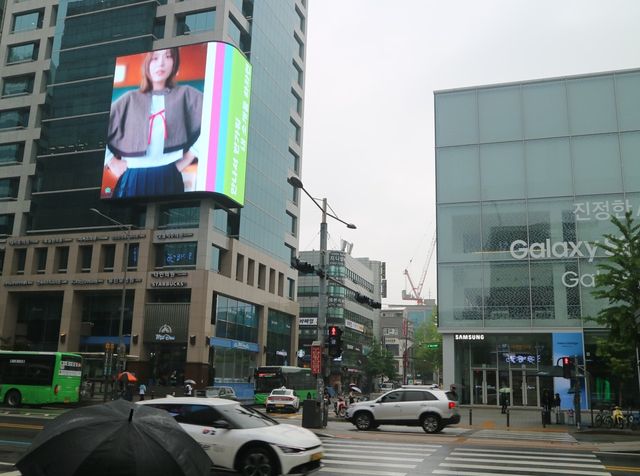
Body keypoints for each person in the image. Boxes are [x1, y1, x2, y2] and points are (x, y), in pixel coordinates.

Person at [104, 47, 203, 198]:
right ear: (147, 63)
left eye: (168, 57)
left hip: (169, 174)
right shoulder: (129, 99)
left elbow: (217, 120)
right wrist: (110, 161)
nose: (161, 63)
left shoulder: (187, 95)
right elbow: (95, 130)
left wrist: (191, 155)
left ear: (175, 63)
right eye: (155, 58)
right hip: (133, 176)